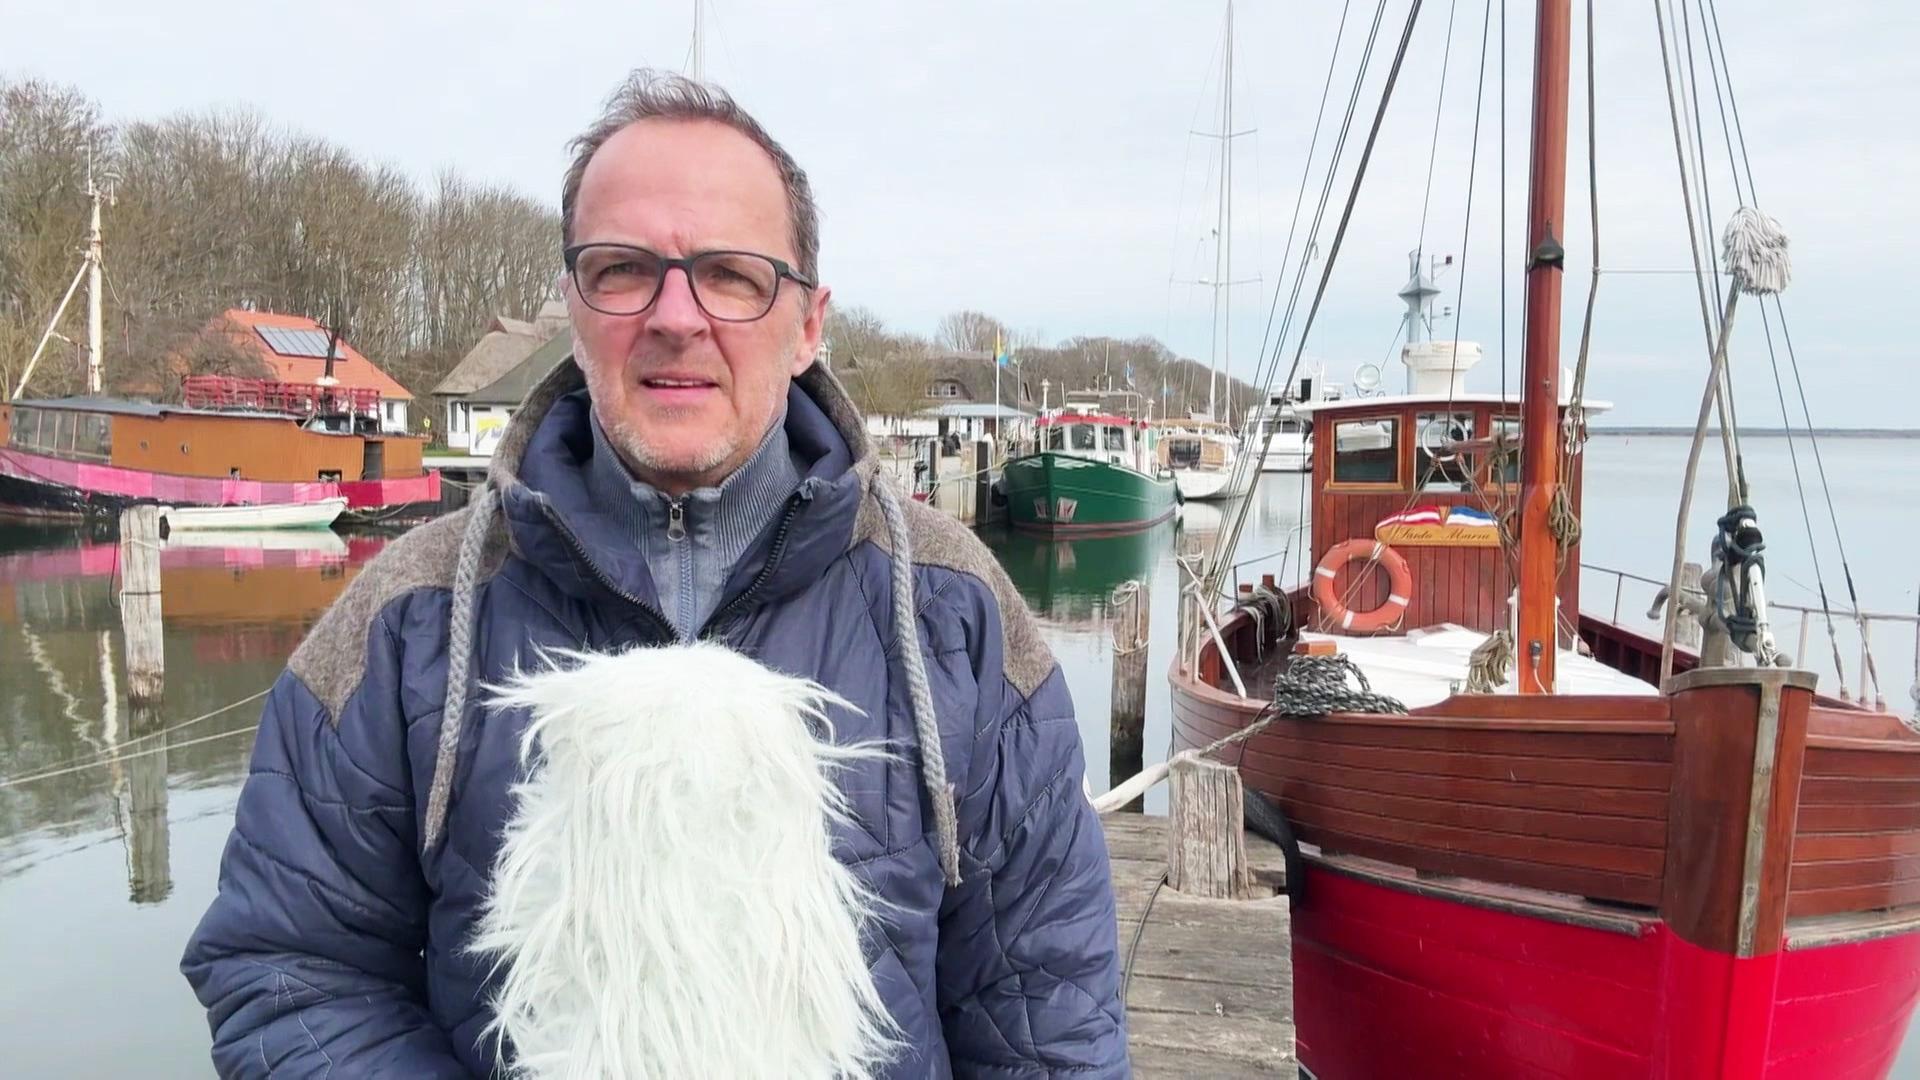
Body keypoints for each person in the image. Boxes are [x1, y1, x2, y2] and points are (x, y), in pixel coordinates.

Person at [181, 70, 1127, 1077]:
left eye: (732, 274)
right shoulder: (404, 619)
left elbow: (1049, 1010)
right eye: (625, 269)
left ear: (808, 324)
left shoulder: (954, 610)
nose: (677, 315)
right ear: (573, 307)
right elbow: (292, 974)